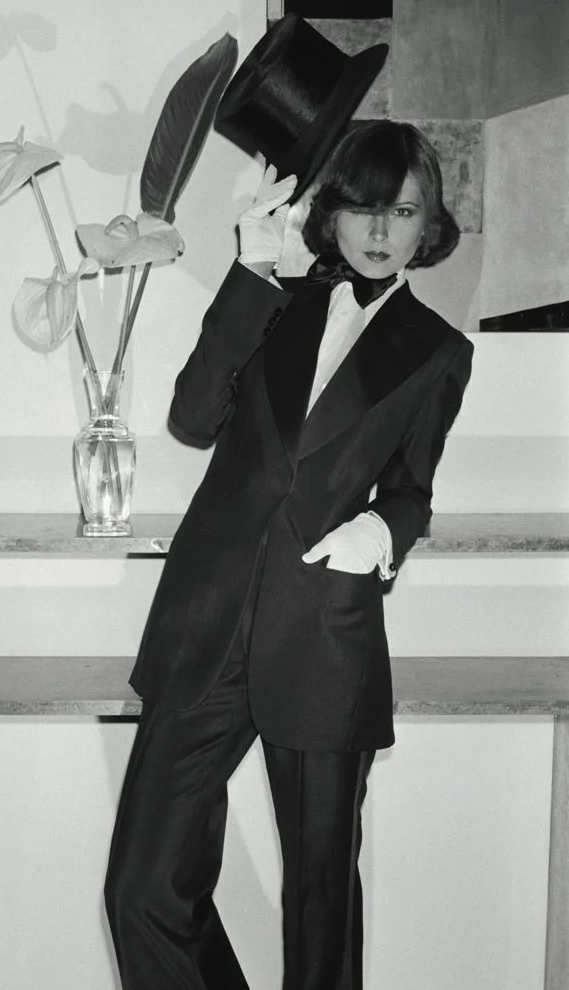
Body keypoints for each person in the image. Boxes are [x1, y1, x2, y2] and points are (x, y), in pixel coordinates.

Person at [102, 113, 473, 990]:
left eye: (403, 211)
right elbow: (192, 420)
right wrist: (250, 273)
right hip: (207, 625)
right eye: (364, 207)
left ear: (426, 226)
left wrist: (379, 533)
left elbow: (412, 489)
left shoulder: (436, 352)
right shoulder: (273, 303)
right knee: (142, 887)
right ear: (331, 214)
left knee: (319, 907)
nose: (380, 230)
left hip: (321, 638)